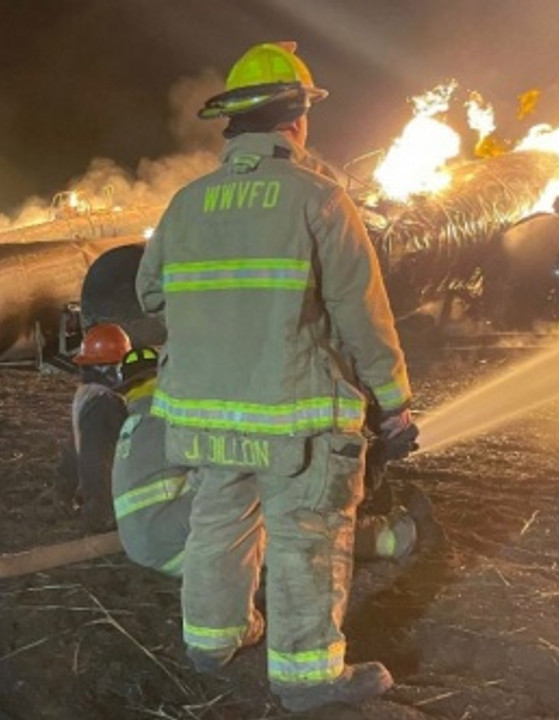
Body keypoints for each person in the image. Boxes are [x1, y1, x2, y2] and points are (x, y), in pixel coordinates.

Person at [135, 41, 418, 713]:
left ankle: (211, 642)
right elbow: (363, 318)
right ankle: (306, 677)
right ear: (297, 120)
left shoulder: (186, 204)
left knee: (218, 523)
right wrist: (395, 405)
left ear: (232, 123)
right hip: (294, 418)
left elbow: (150, 296)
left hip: (202, 417)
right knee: (307, 536)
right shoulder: (318, 201)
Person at [111, 345, 424, 577]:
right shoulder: (176, 412)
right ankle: (390, 538)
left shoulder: (136, 426)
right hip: (184, 540)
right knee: (291, 516)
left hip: (151, 546)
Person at [66, 323, 133, 531]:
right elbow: (95, 459)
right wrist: (101, 512)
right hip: (111, 503)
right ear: (110, 368)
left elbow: (73, 448)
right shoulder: (104, 402)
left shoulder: (87, 394)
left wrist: (63, 488)